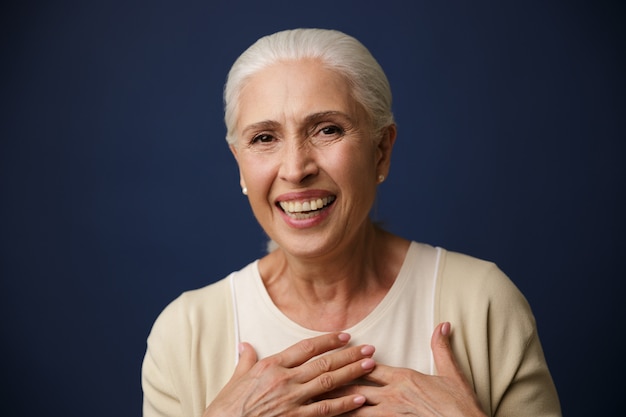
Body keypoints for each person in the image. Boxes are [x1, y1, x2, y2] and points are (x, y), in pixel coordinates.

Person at [141, 28, 561, 417]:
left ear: (381, 151)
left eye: (326, 130)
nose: (295, 168)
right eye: (264, 138)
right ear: (239, 166)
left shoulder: (483, 303)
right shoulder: (185, 334)